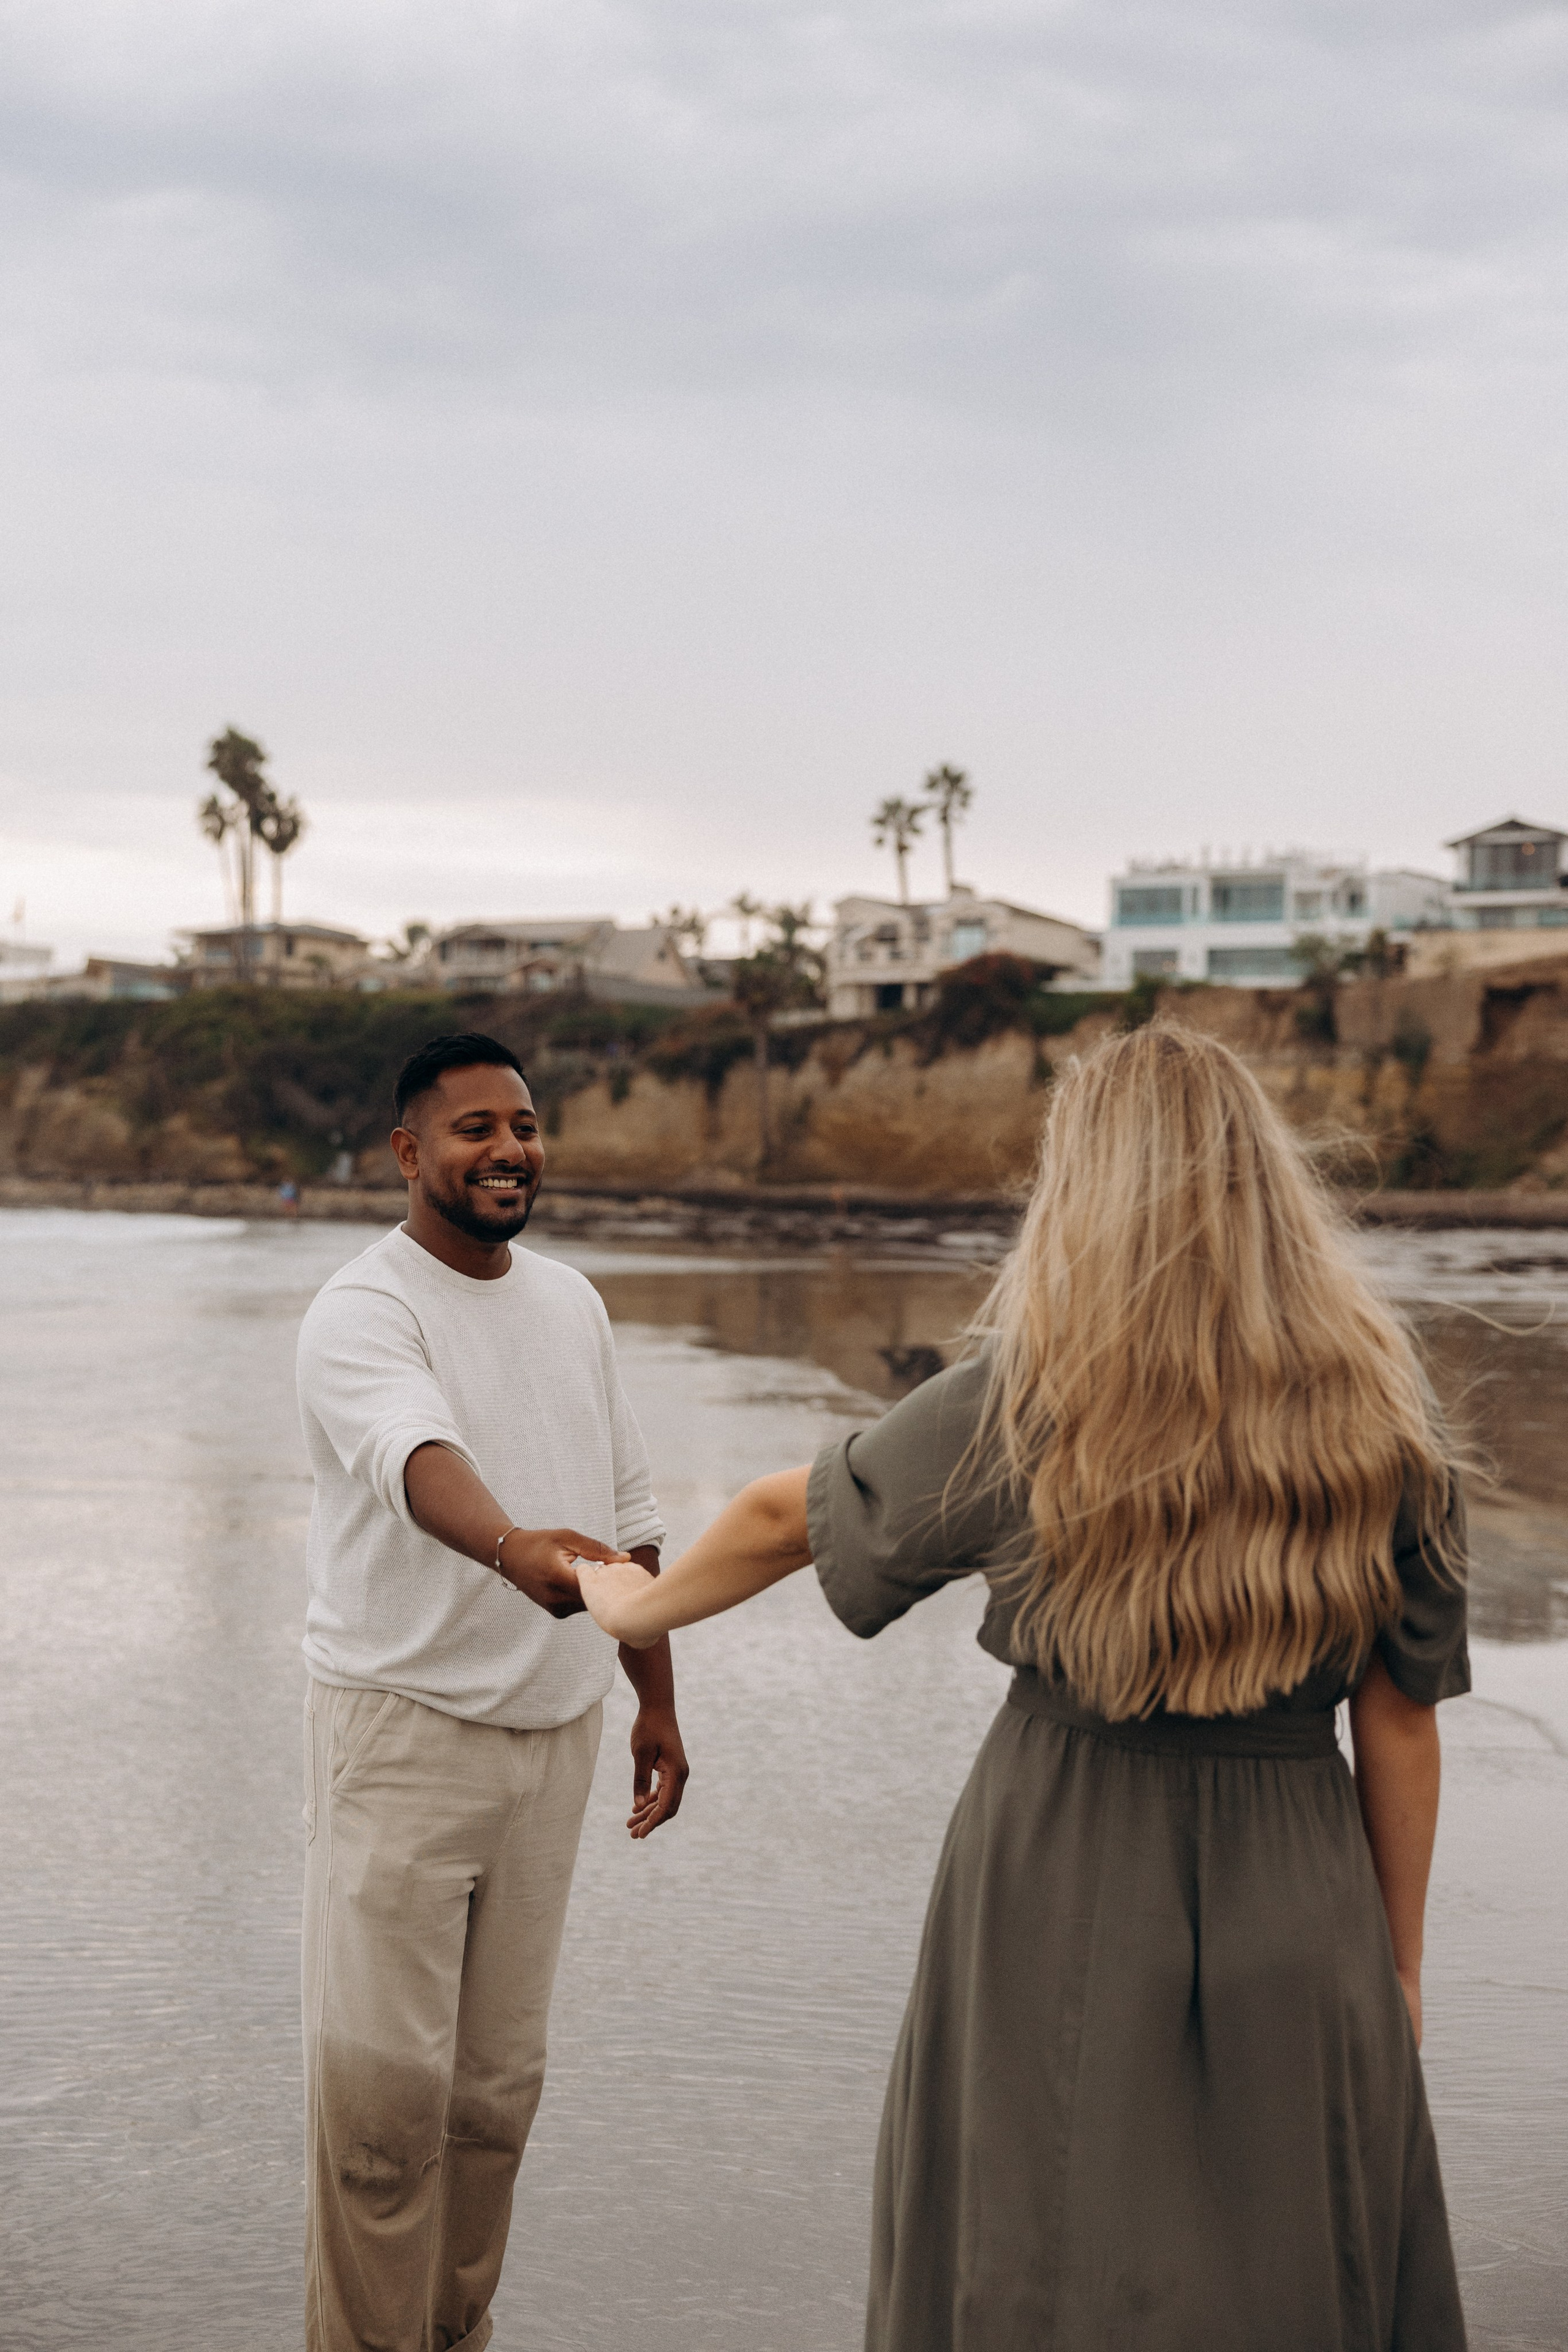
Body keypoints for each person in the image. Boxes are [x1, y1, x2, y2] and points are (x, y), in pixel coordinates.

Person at [577, 1022, 1469, 2351]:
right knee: (1294, 2238)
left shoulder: (1039, 1397)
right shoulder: (1379, 1416)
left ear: (1083, 1190)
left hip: (1058, 1858)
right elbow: (1397, 1718)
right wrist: (1393, 1959)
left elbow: (787, 1515)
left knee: (1037, 2238)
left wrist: (623, 1601)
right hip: (1300, 1873)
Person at [295, 1031, 688, 2352]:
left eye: (522, 1124)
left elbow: (633, 1524)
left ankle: (454, 2338)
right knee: (381, 2118)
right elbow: (417, 1455)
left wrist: (657, 1701)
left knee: (494, 2104)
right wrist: (513, 1546)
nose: (509, 1150)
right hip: (403, 1739)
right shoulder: (365, 1309)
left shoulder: (570, 1301)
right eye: (474, 1129)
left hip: (552, 1739)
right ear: (409, 1153)